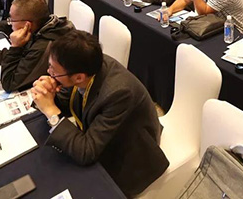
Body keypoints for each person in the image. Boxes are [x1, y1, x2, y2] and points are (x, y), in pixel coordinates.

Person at [30, 31, 168, 196]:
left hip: (131, 153)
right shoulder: (83, 65)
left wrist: (51, 112)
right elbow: (66, 103)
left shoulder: (118, 93)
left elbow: (86, 152)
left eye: (53, 70)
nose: (49, 72)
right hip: (103, 133)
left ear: (78, 78)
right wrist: (47, 95)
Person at [0, 0, 75, 92]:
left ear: (27, 25)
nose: (10, 24)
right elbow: (25, 53)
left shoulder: (43, 46)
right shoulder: (45, 27)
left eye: (12, 20)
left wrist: (15, 47)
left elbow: (9, 83)